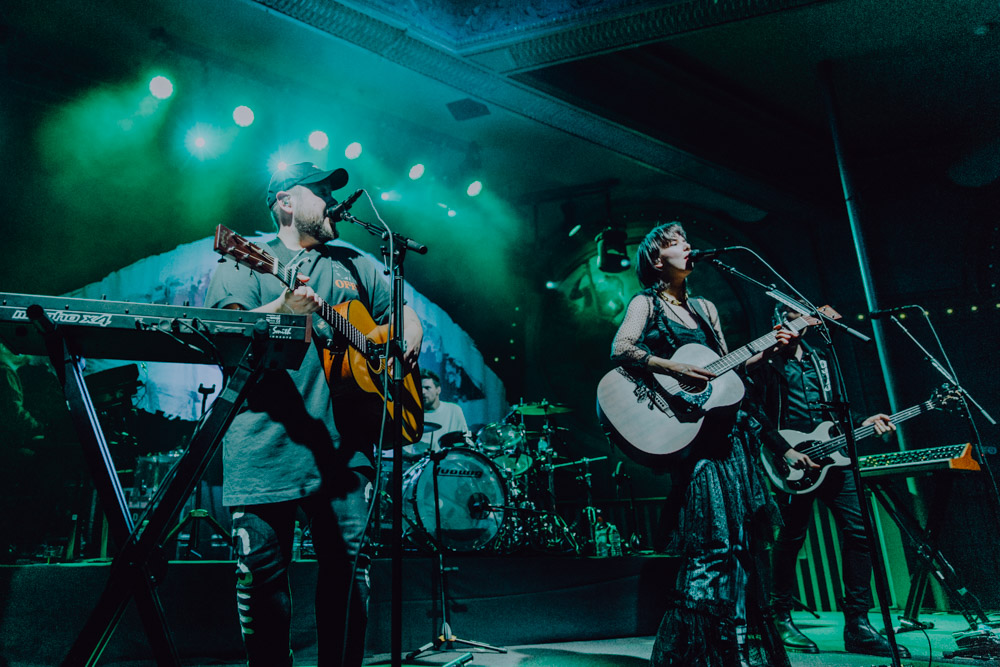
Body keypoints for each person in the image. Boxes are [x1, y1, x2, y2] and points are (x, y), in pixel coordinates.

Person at [206, 162, 422, 667]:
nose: (331, 199)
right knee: (262, 586)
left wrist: (406, 339)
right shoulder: (245, 259)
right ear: (284, 202)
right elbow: (224, 334)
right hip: (265, 446)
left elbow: (401, 312)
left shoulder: (354, 261)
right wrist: (282, 308)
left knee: (350, 582)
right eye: (320, 190)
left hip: (346, 454)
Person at [609, 222, 789, 667]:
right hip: (691, 443)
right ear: (656, 260)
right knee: (712, 546)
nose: (687, 246)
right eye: (674, 243)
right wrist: (672, 368)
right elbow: (621, 349)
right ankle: (693, 656)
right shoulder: (644, 303)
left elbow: (728, 369)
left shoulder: (707, 308)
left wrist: (770, 348)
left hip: (730, 441)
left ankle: (734, 650)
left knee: (742, 547)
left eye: (686, 240)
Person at [747, 305, 909, 658]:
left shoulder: (823, 358)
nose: (796, 319)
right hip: (788, 461)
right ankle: (780, 616)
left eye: (800, 312)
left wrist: (867, 420)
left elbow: (838, 410)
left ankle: (858, 624)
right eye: (788, 314)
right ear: (777, 320)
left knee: (858, 533)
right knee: (790, 538)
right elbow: (752, 412)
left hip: (835, 458)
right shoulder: (764, 362)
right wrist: (783, 449)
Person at [408, 369, 469, 458]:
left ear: (438, 390)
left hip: (449, 465)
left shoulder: (454, 410)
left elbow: (465, 440)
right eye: (419, 388)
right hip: (421, 466)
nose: (422, 392)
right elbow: (405, 452)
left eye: (427, 388)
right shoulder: (410, 415)